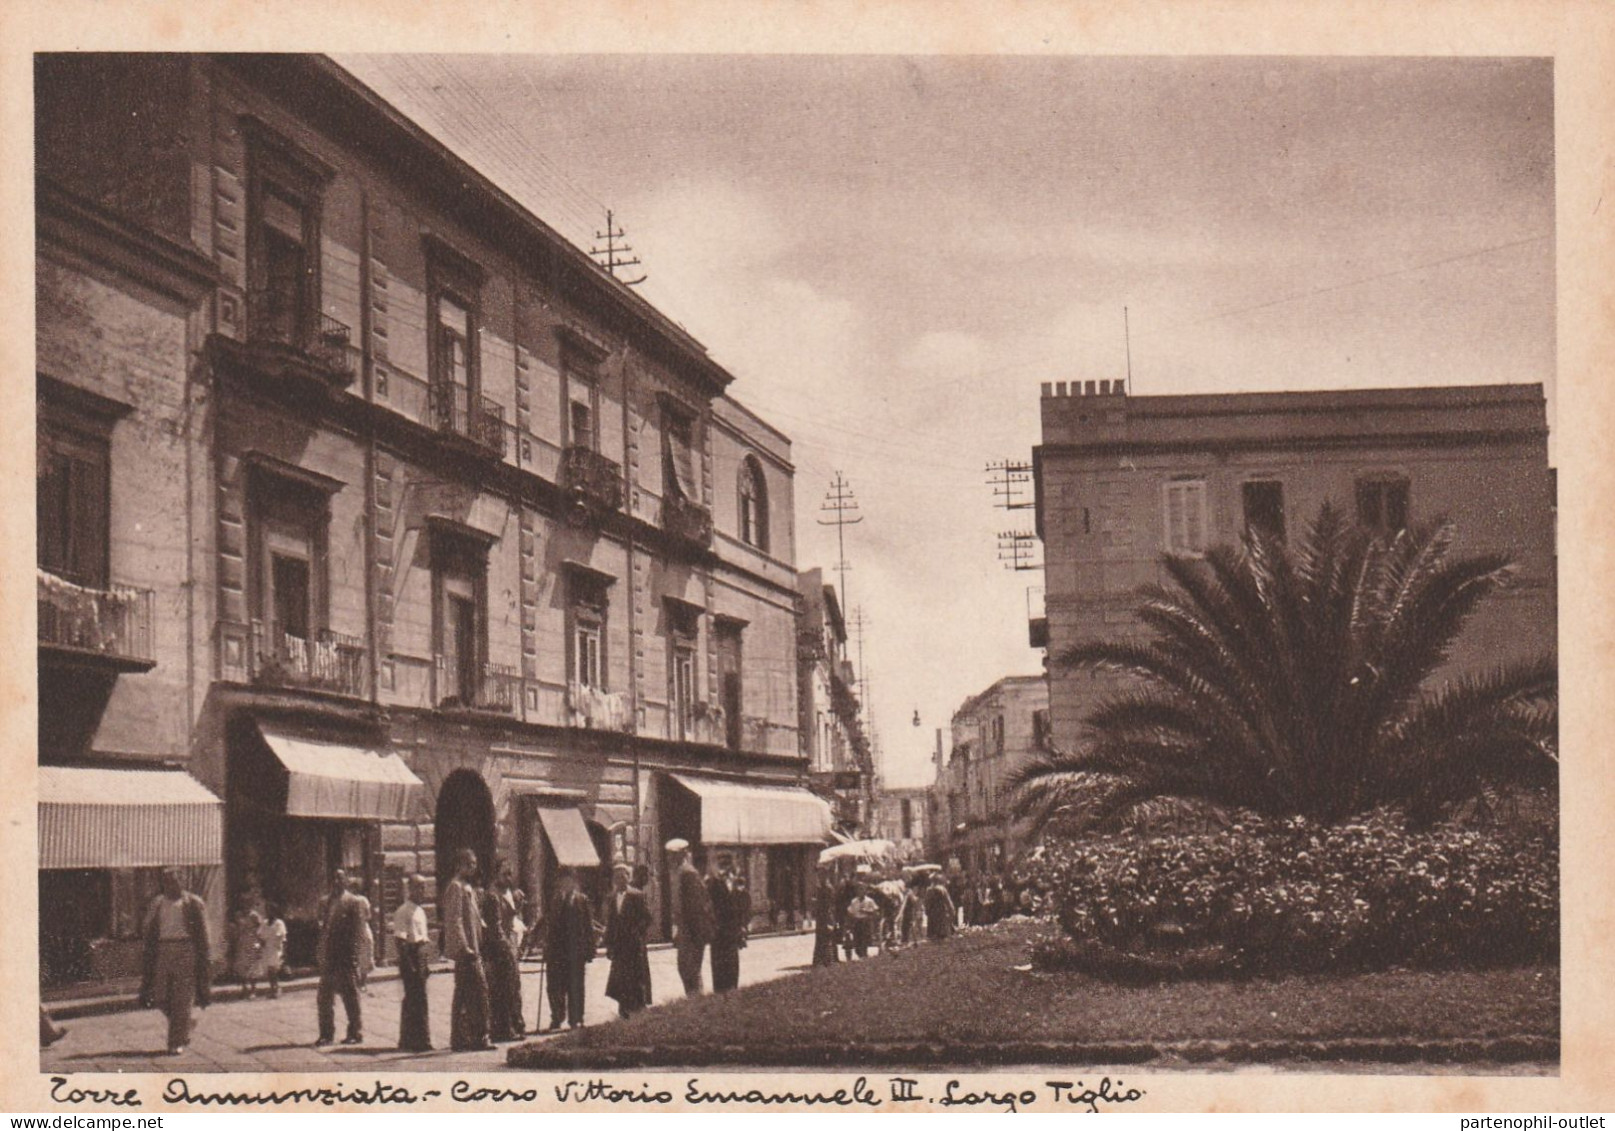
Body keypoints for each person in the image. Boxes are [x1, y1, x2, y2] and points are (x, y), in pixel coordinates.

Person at [139, 868, 211, 1055]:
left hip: (186, 949)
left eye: (176, 879)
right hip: (163, 949)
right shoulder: (158, 902)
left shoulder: (193, 903)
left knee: (182, 997)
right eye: (168, 880)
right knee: (159, 996)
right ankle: (186, 1023)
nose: (172, 883)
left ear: (183, 881)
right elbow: (147, 928)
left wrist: (204, 955)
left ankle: (175, 1042)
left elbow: (203, 933)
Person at [442, 848, 490, 1051]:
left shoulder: (466, 887)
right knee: (478, 992)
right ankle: (478, 1037)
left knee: (463, 993)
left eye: (474, 863)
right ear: (459, 865)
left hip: (473, 948)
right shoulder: (456, 887)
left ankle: (461, 1039)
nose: (473, 867)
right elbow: (455, 920)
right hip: (467, 952)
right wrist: (465, 947)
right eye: (469, 863)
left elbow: (473, 919)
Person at [315, 868, 365, 1046]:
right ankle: (326, 1034)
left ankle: (355, 1032)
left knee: (350, 996)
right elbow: (323, 928)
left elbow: (359, 931)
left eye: (340, 878)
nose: (336, 881)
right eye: (334, 878)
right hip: (329, 955)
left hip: (346, 956)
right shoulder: (325, 902)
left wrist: (356, 957)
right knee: (324, 997)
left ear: (346, 881)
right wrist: (321, 952)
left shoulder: (353, 901)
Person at [543, 868, 595, 1029]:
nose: (566, 884)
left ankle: (576, 1018)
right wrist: (545, 945)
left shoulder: (582, 900)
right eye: (563, 880)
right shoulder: (555, 900)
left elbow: (588, 927)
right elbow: (548, 923)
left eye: (569, 880)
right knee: (555, 986)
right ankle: (557, 1017)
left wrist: (590, 949)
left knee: (576, 985)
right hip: (557, 951)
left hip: (575, 951)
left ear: (575, 882)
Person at [603, 863, 652, 1017]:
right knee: (620, 979)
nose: (619, 880)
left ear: (628, 878)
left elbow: (647, 918)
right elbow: (610, 923)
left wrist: (637, 933)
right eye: (616, 877)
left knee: (636, 978)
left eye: (622, 876)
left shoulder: (637, 895)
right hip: (618, 947)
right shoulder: (612, 898)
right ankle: (623, 1009)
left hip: (634, 945)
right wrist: (609, 944)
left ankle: (638, 1009)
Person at [484, 862, 526, 1042]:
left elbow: (514, 917)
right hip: (499, 948)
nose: (509, 878)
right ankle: (504, 1028)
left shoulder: (510, 892)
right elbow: (495, 925)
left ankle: (516, 1025)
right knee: (503, 989)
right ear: (496, 875)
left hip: (511, 943)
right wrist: (506, 947)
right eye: (505, 874)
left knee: (514, 987)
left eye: (510, 874)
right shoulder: (492, 895)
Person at [391, 874, 432, 1052]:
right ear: (410, 889)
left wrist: (426, 963)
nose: (422, 891)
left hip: (421, 955)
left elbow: (423, 939)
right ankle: (417, 1041)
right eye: (418, 887)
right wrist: (409, 964)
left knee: (419, 999)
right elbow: (400, 940)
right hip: (410, 956)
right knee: (414, 999)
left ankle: (414, 1039)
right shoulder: (403, 911)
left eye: (424, 887)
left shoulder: (420, 911)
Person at [667, 839, 714, 994]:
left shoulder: (688, 873)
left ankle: (697, 1003)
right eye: (669, 855)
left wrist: (693, 934)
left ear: (682, 854)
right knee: (686, 970)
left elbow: (696, 907)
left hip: (692, 931)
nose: (669, 858)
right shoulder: (680, 872)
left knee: (690, 970)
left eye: (672, 855)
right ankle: (695, 1001)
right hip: (685, 929)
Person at [706, 851, 750, 993]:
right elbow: (708, 907)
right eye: (722, 864)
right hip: (719, 934)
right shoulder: (712, 883)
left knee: (732, 970)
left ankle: (732, 995)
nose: (725, 867)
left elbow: (745, 905)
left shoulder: (738, 882)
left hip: (733, 933)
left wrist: (743, 925)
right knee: (719, 973)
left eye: (727, 863)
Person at [810, 865, 840, 967]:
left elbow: (830, 906)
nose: (820, 876)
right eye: (819, 874)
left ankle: (829, 961)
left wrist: (830, 921)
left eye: (822, 874)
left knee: (827, 939)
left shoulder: (828, 888)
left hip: (826, 917)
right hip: (820, 917)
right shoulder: (820, 888)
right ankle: (820, 961)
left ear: (826, 875)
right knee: (820, 939)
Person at [350, 877, 375, 991]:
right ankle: (358, 982)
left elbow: (368, 915)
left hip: (362, 929)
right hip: (355, 930)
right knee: (356, 955)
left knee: (364, 954)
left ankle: (362, 982)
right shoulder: (350, 900)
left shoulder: (362, 900)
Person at [234, 906, 265, 998]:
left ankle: (253, 990)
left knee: (253, 966)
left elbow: (260, 931)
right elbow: (237, 930)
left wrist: (258, 947)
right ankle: (244, 988)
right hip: (242, 942)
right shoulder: (238, 915)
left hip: (253, 942)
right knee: (242, 966)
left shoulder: (254, 915)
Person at [258, 904, 287, 999]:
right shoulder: (264, 923)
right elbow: (260, 935)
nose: (269, 913)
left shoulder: (279, 923)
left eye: (271, 911)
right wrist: (260, 944)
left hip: (276, 948)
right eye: (268, 911)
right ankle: (272, 988)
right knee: (269, 971)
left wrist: (283, 950)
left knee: (273, 969)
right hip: (267, 948)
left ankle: (276, 988)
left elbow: (281, 936)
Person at [846, 884, 880, 958]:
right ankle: (859, 954)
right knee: (857, 939)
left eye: (862, 889)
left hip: (865, 921)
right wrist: (849, 923)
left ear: (865, 891)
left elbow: (876, 912)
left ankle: (863, 955)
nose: (860, 891)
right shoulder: (854, 901)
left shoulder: (870, 901)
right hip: (857, 922)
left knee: (864, 939)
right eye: (859, 890)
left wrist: (867, 911)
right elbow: (850, 912)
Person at [924, 873, 957, 941]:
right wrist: (952, 910)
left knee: (933, 931)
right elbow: (948, 901)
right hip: (941, 911)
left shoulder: (929, 890)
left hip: (932, 912)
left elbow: (926, 902)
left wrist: (926, 910)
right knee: (941, 930)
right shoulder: (942, 889)